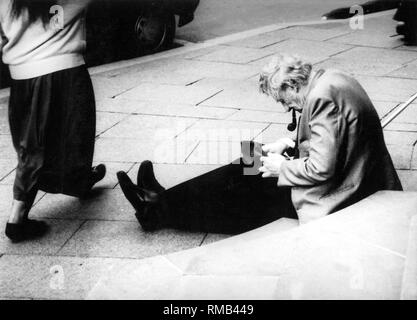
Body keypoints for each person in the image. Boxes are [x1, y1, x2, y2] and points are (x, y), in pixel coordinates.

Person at [117, 54, 402, 234]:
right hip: (352, 177)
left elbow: (322, 168)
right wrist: (289, 142)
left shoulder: (321, 99)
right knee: (249, 161)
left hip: (340, 193)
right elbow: (338, 133)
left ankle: (155, 209)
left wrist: (283, 166)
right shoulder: (331, 79)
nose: (284, 106)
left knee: (240, 185)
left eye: (282, 99)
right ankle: (160, 199)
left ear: (292, 85)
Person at [1, 0, 106, 242]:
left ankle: (80, 179)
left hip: (21, 74)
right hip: (63, 68)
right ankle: (16, 218)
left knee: (35, 142)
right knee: (69, 134)